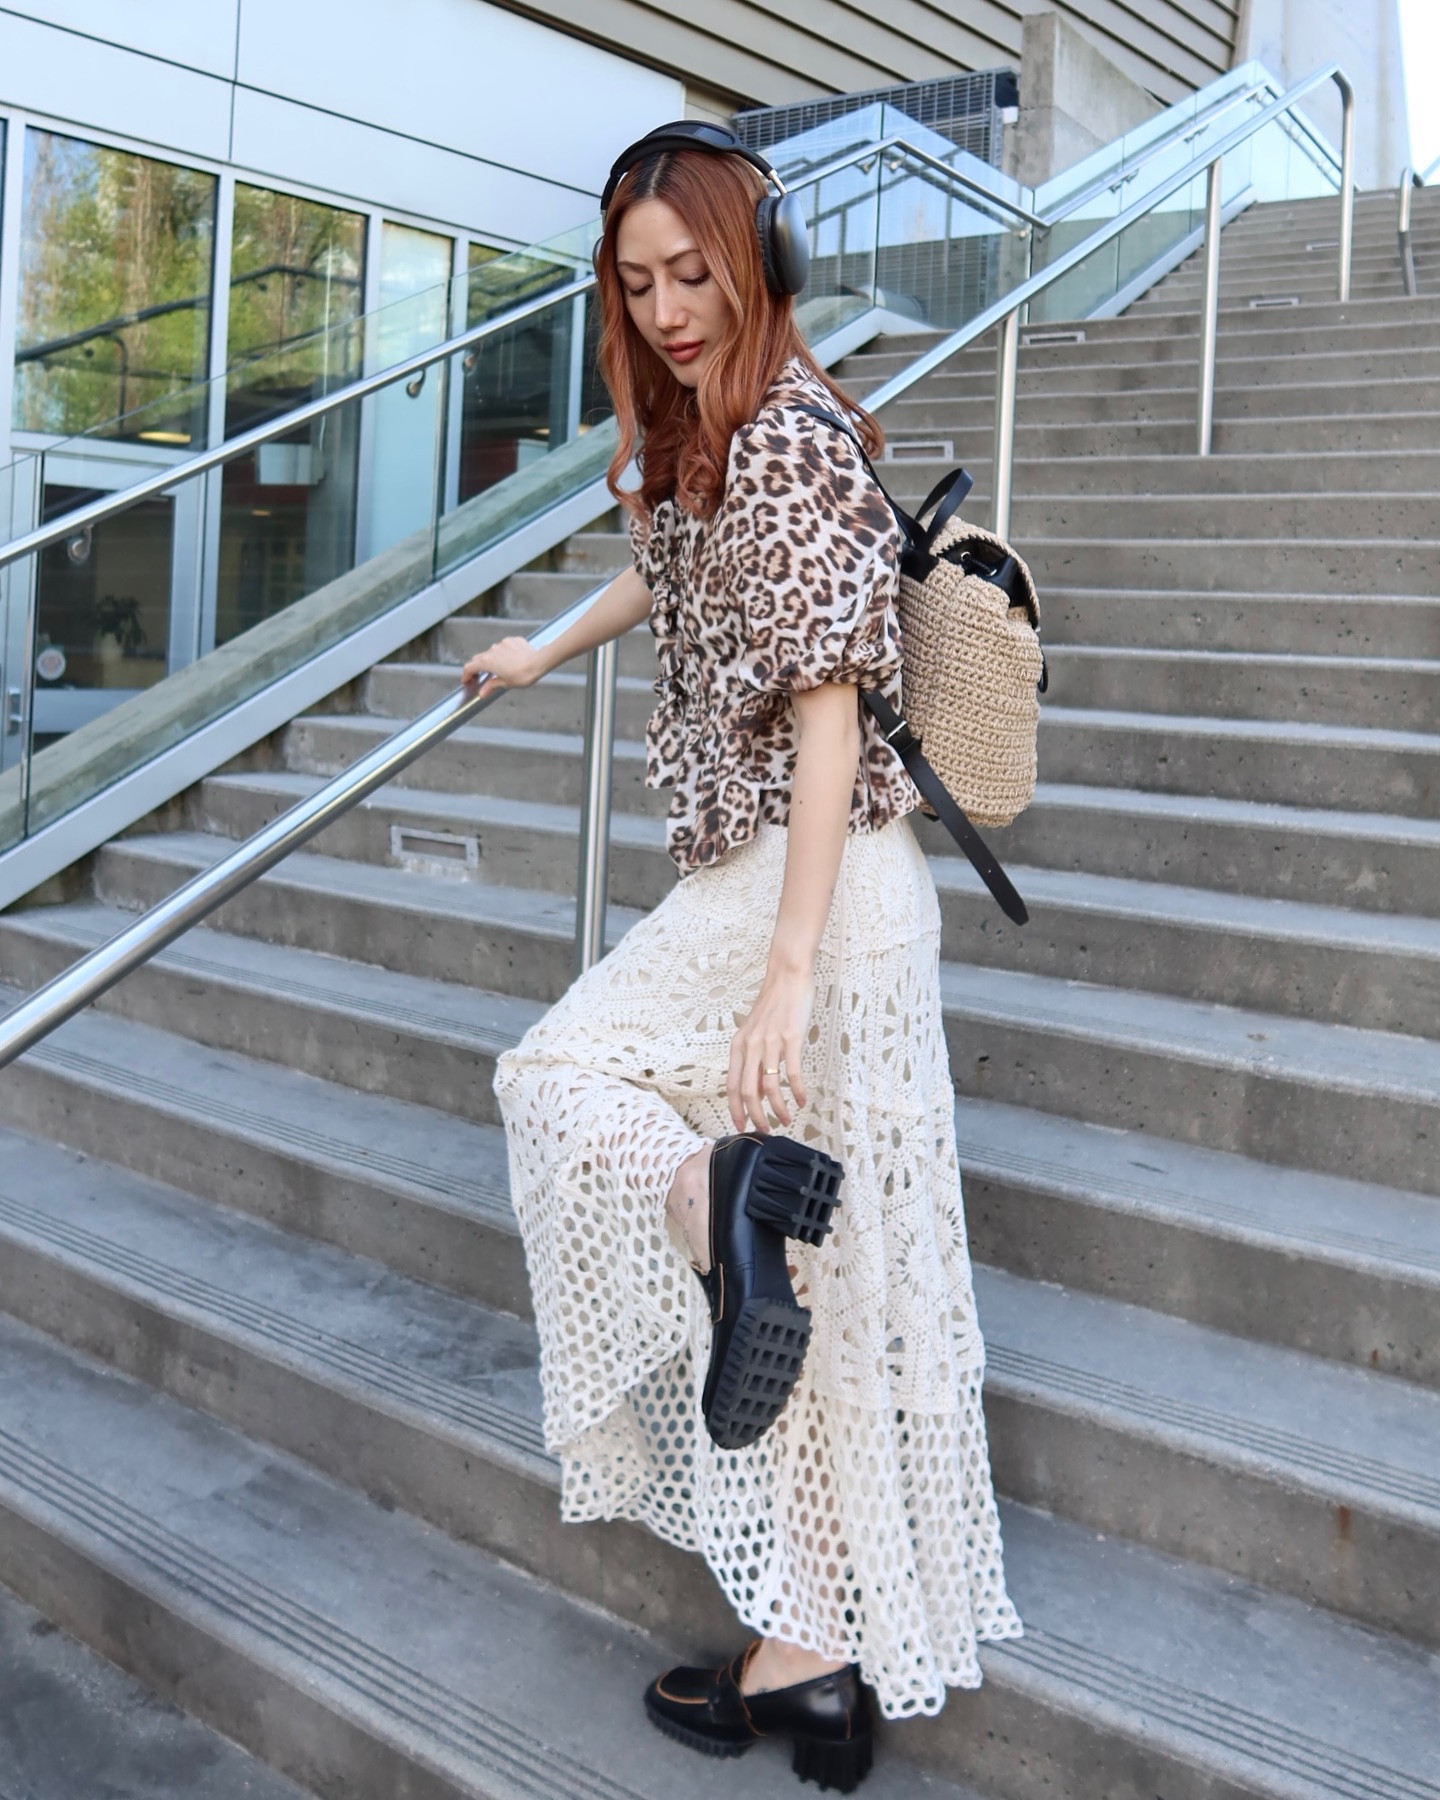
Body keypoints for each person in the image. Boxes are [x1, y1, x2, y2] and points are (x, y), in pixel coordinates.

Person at [462, 122, 1021, 1794]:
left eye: (694, 275)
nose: (668, 311)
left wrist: (785, 970)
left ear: (759, 262)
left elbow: (831, 716)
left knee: (557, 1075)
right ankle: (814, 1663)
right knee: (821, 1289)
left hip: (814, 891)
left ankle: (715, 1201)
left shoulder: (783, 437)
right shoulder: (724, 433)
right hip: (806, 886)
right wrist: (541, 646)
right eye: (637, 285)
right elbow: (666, 572)